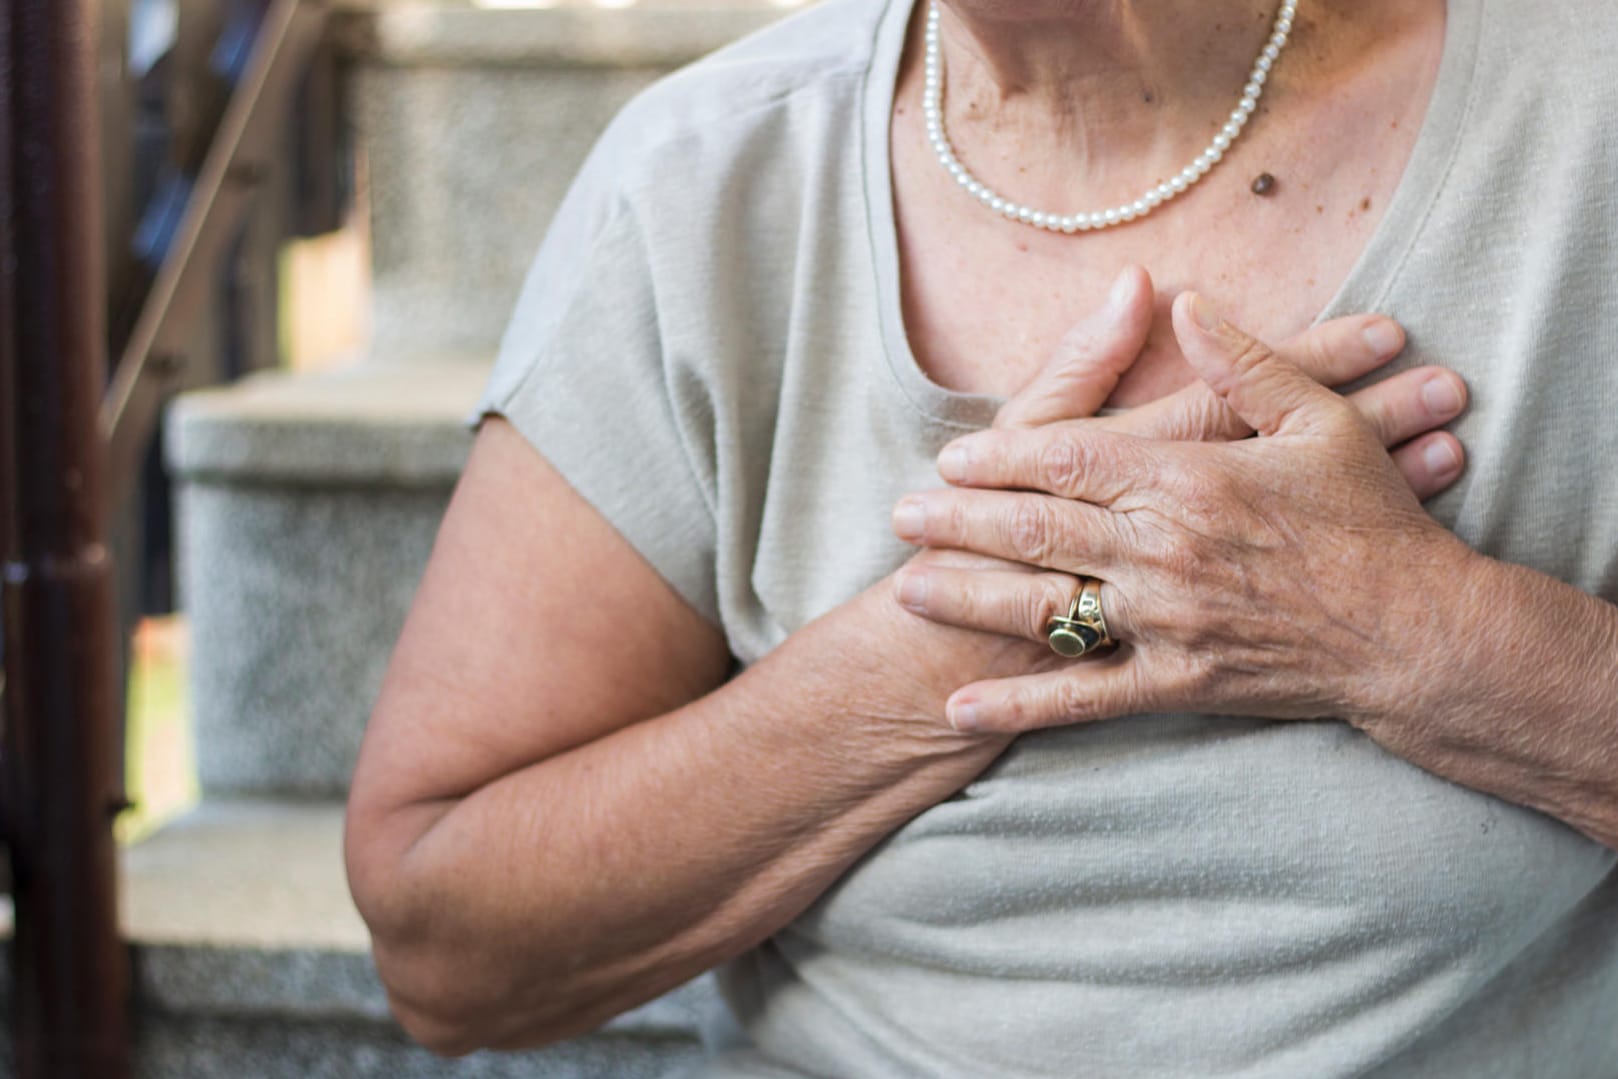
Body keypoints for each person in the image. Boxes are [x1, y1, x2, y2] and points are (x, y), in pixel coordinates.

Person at [343, 0, 1618, 1074]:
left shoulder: (1580, 109)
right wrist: (981, 625)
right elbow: (447, 943)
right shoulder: (707, 181)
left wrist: (1401, 627)